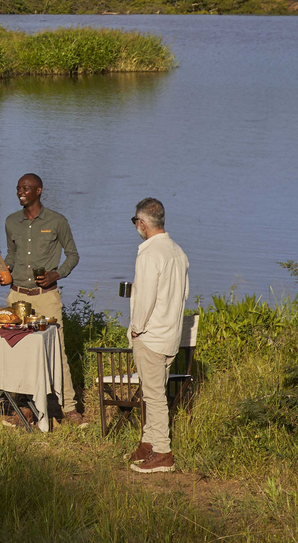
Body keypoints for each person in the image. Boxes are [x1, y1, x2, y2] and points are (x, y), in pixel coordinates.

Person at [0, 172, 83, 426]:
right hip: (17, 297)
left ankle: (69, 407)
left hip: (46, 298)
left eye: (26, 188)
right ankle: (24, 408)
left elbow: (73, 255)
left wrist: (57, 273)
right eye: (18, 188)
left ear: (38, 191)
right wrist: (6, 270)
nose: (20, 192)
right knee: (18, 351)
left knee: (56, 351)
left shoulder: (57, 221)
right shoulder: (11, 221)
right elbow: (11, 254)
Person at [126, 196, 190, 474]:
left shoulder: (150, 253)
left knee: (153, 396)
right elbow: (184, 294)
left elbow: (145, 297)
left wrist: (136, 328)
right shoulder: (178, 251)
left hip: (151, 335)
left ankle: (163, 452)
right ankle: (148, 443)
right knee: (155, 391)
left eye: (135, 221)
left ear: (142, 223)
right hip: (170, 334)